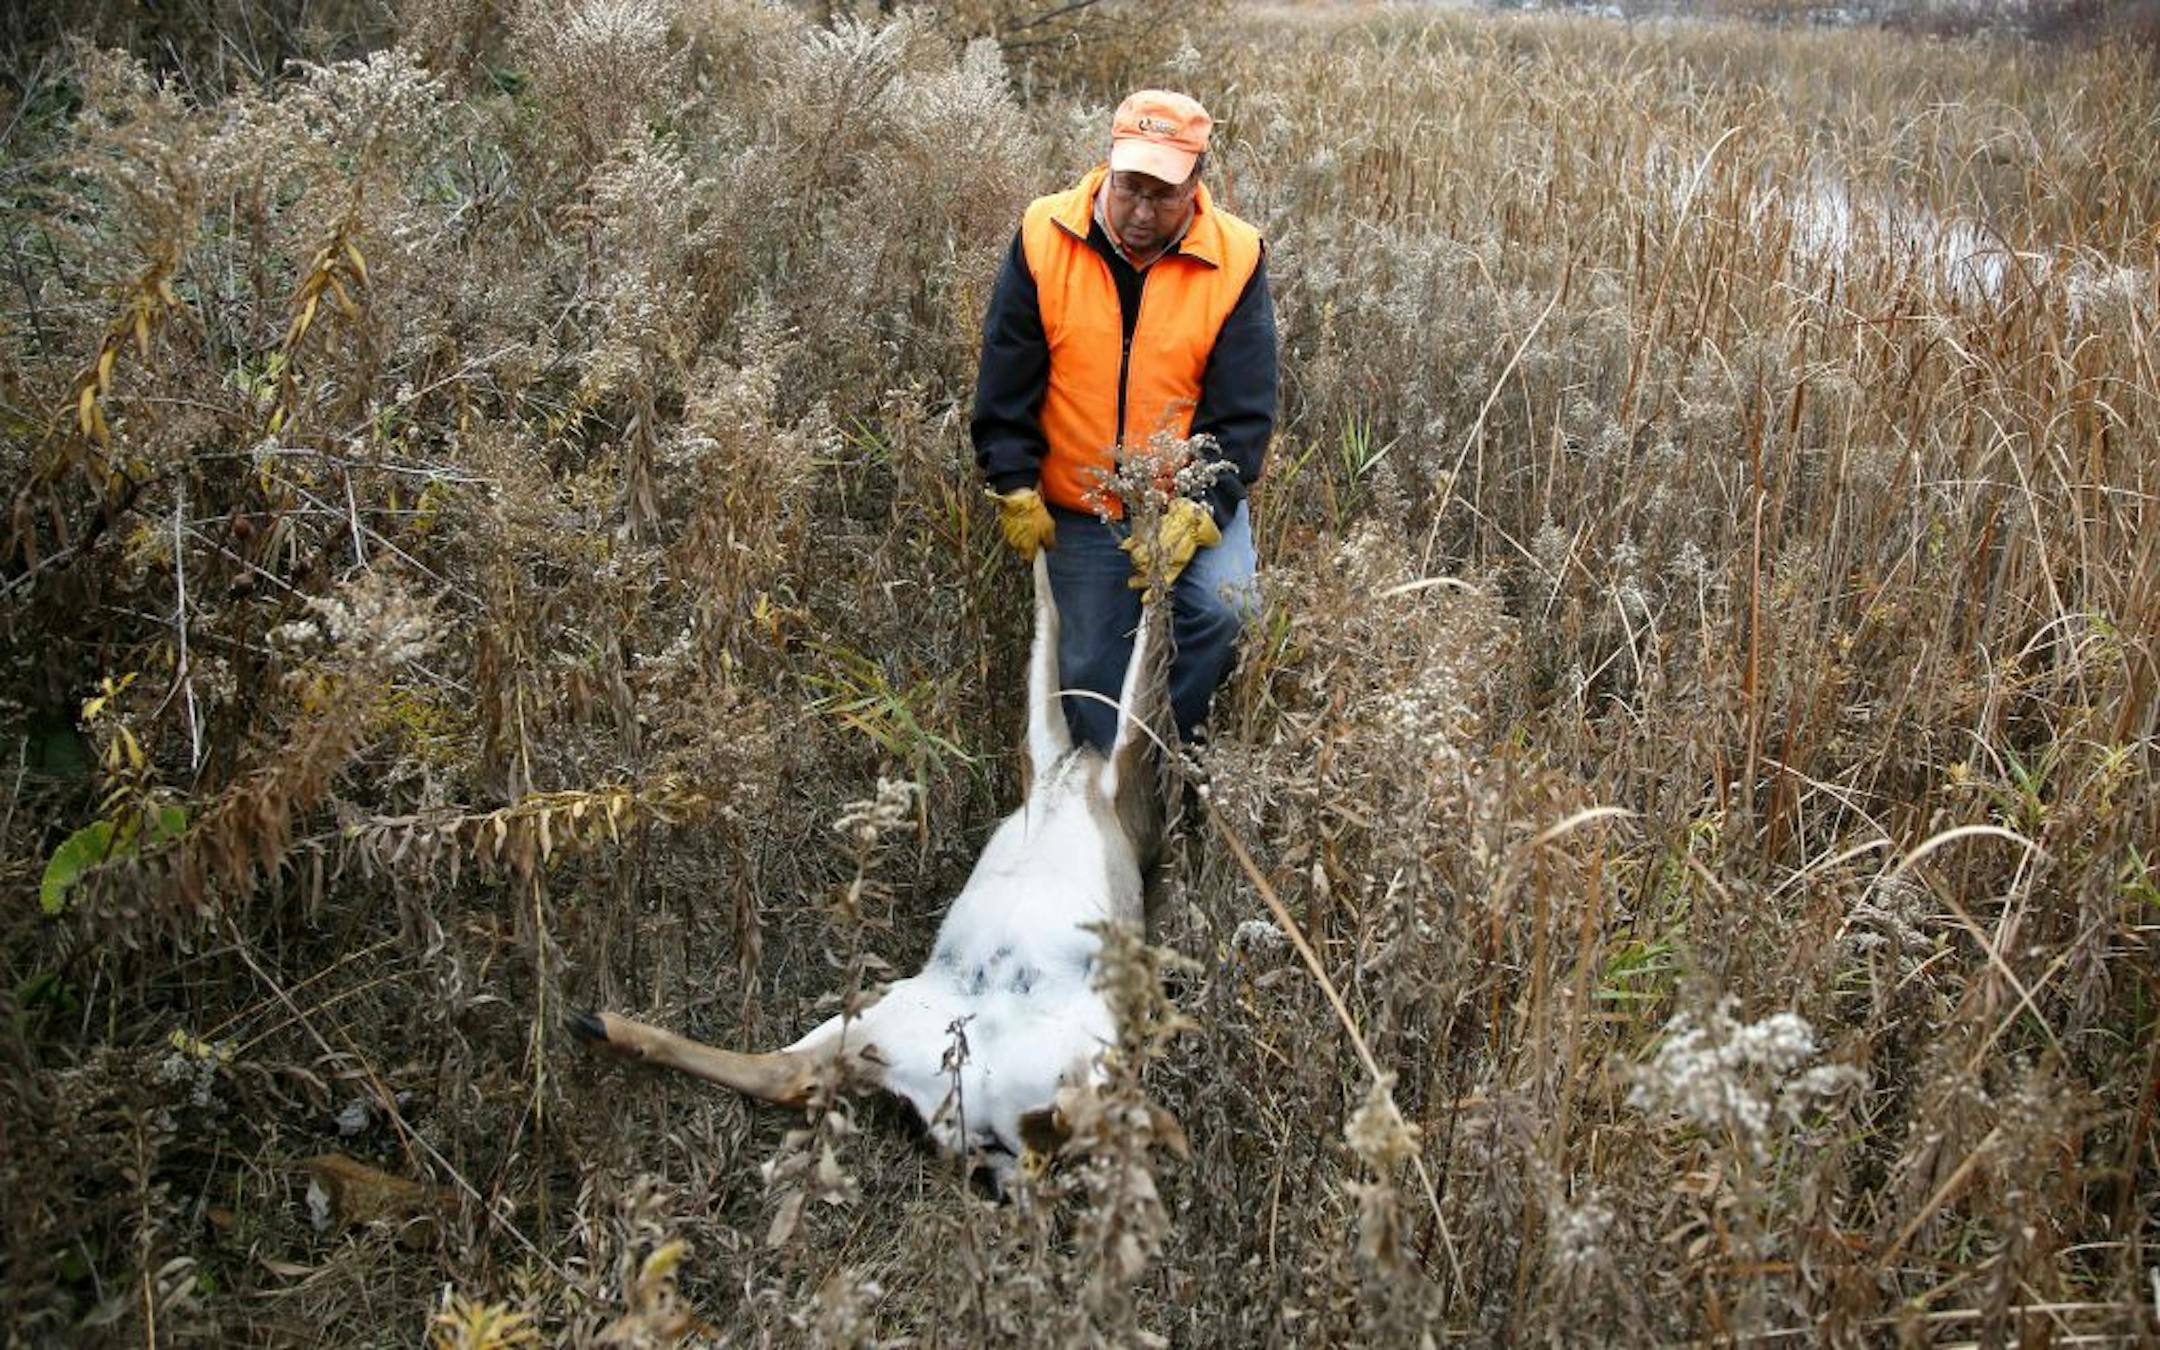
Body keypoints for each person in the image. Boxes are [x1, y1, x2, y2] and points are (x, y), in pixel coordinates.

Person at [971, 89, 1278, 752]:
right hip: (1078, 497)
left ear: (1196, 184)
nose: (1140, 212)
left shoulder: (1237, 257)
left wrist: (1200, 506)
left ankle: (1169, 758)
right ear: (1108, 165)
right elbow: (1006, 376)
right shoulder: (1042, 234)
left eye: (1161, 195)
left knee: (1225, 613)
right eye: (1129, 187)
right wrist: (1014, 479)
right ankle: (1116, 802)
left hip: (1184, 492)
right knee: (1087, 680)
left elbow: (1244, 409)